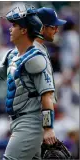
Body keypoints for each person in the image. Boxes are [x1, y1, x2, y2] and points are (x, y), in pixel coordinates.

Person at [0, 5, 57, 160]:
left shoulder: (36, 58)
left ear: (24, 30)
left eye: (14, 25)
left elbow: (47, 96)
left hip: (30, 123)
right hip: (17, 122)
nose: (10, 29)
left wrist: (48, 128)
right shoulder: (12, 55)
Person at [34, 7, 67, 145]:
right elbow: (45, 95)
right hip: (33, 124)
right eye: (53, 26)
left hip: (35, 122)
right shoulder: (35, 53)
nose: (57, 30)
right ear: (42, 27)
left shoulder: (40, 49)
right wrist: (48, 127)